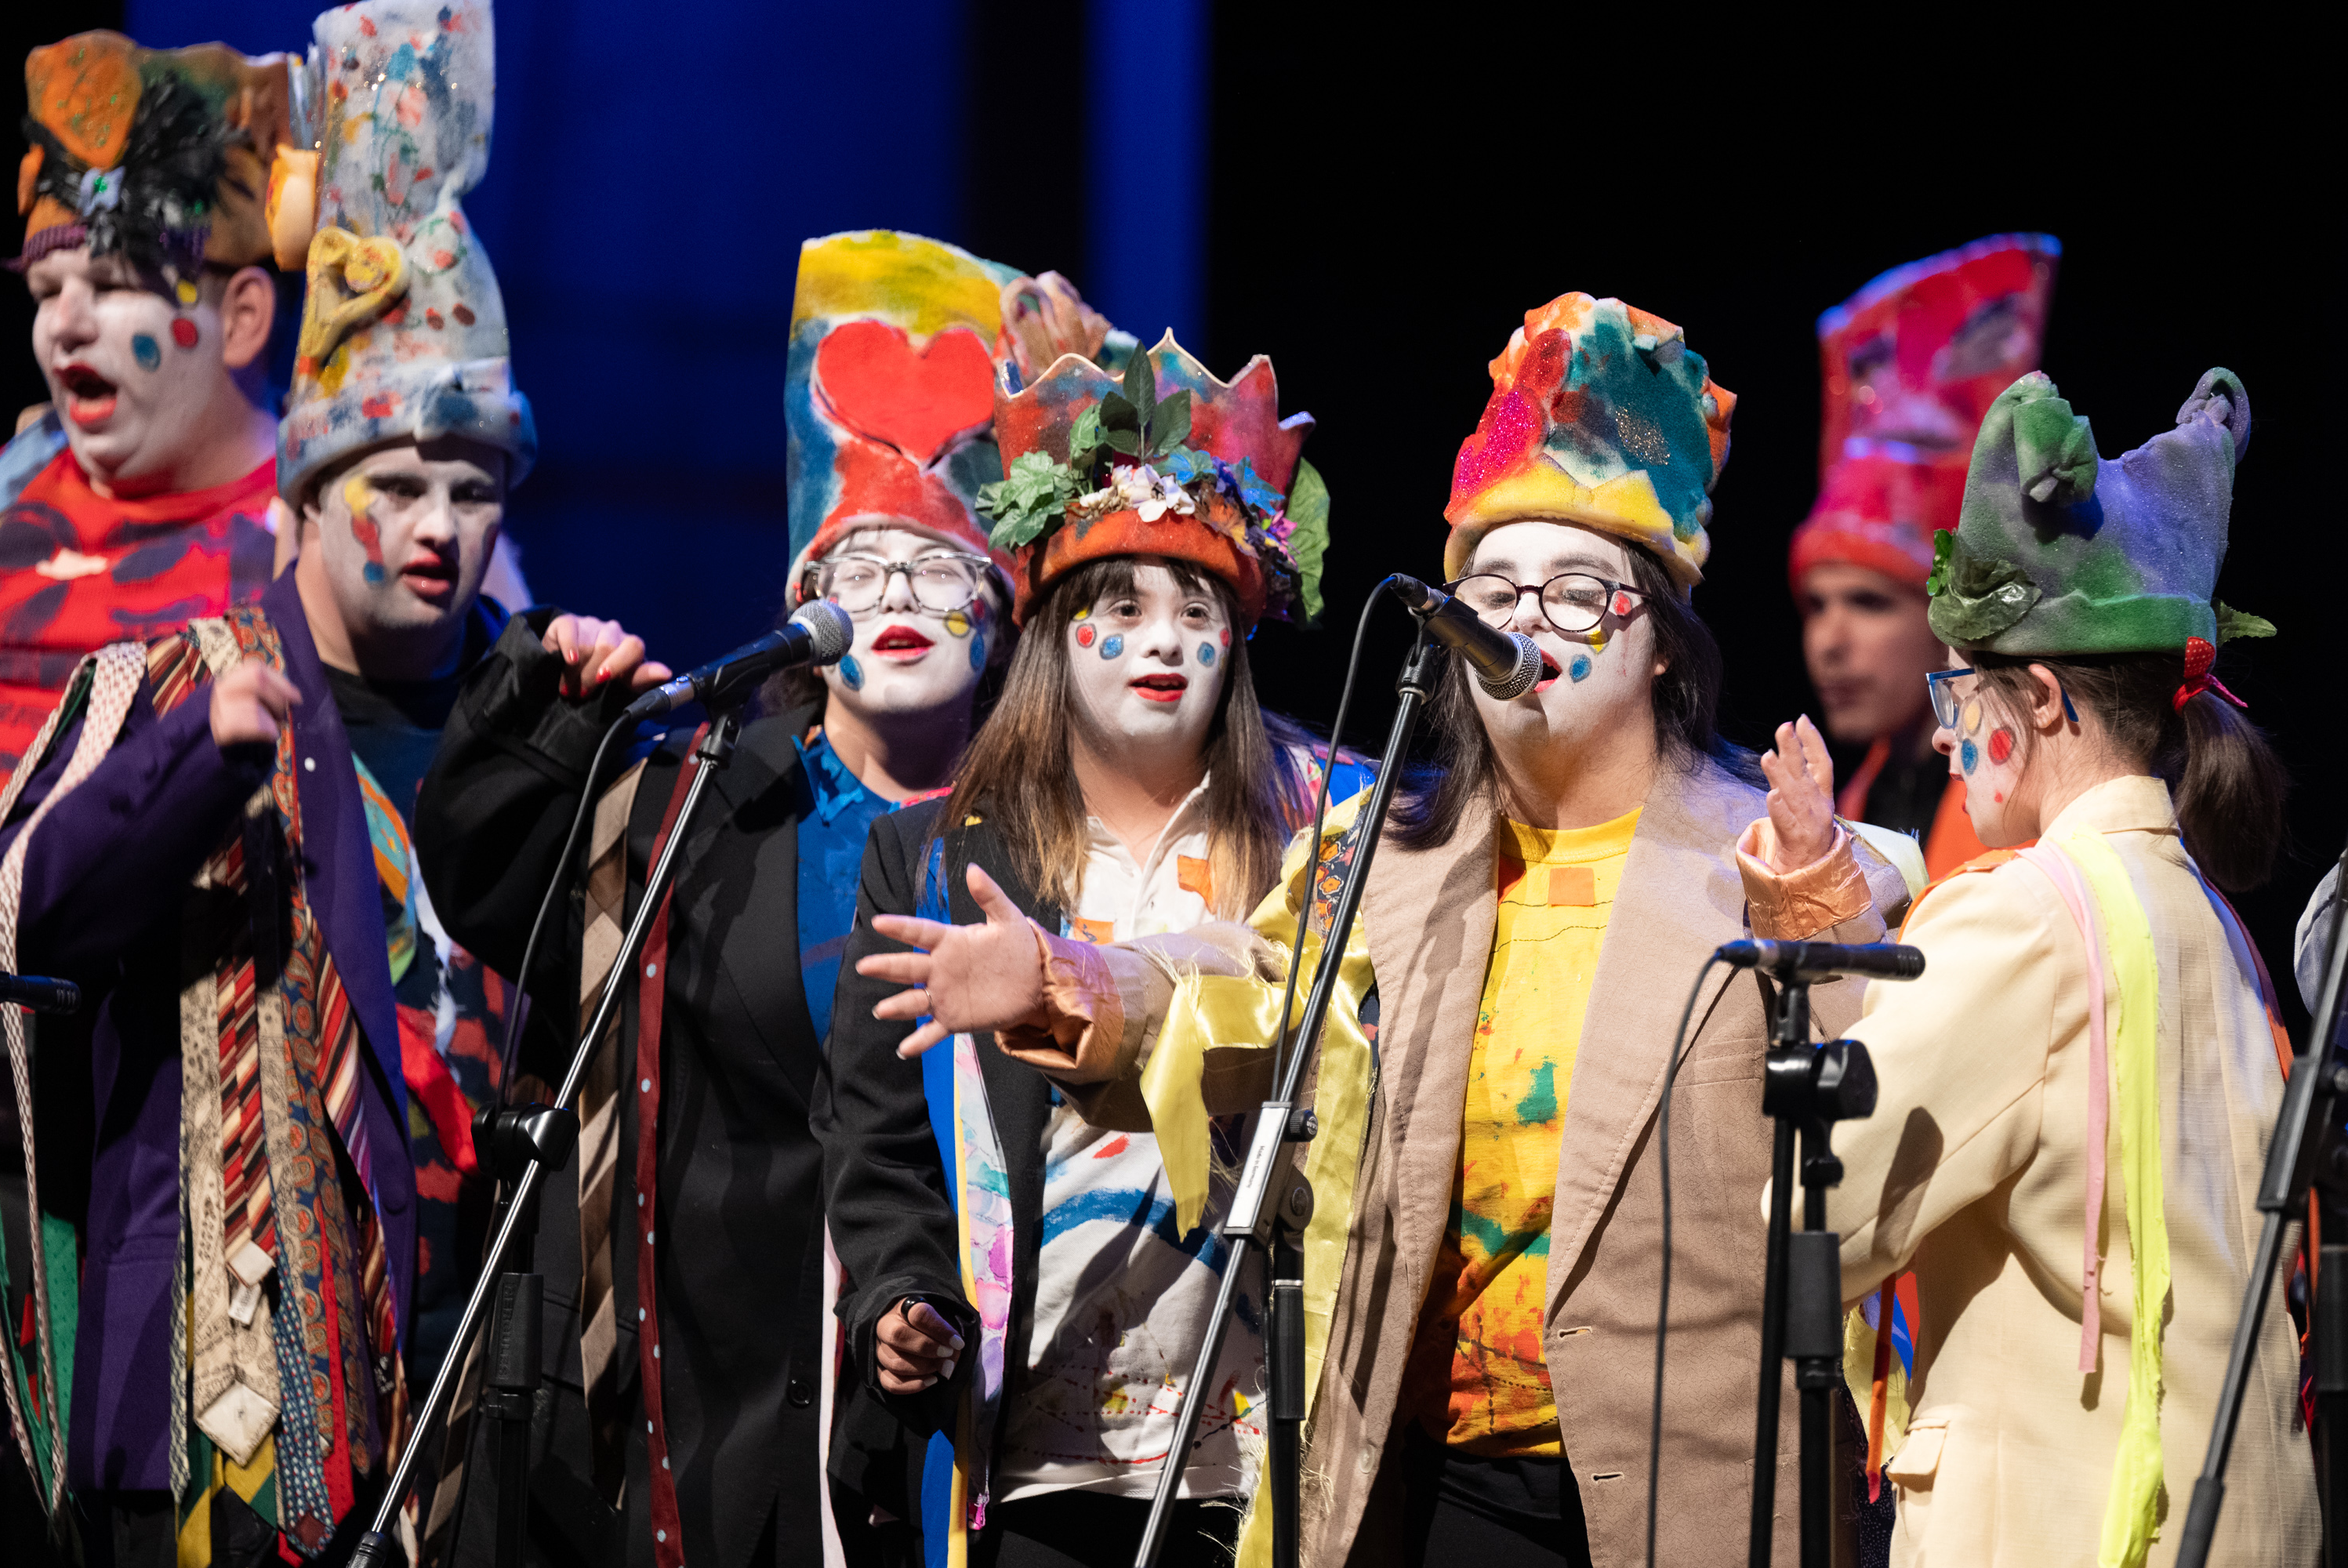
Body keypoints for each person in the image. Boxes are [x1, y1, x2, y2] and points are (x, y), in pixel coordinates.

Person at [850, 293, 1912, 1566]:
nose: (1523, 621)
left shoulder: (1779, 856)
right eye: (1496, 587)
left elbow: (1894, 1151)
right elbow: (1241, 981)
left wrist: (1812, 915)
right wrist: (1064, 979)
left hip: (1693, 1494)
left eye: (1578, 592)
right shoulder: (1386, 860)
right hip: (1442, 1491)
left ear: (1669, 647)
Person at [413, 230, 1105, 1568]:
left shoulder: (1061, 845)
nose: (894, 600)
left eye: (936, 572)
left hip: (957, 1444)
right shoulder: (703, 808)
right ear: (805, 602)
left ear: (1002, 611)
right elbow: (491, 876)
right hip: (706, 1438)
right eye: (857, 572)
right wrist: (546, 714)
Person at [0, 4, 537, 1560]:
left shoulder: (504, 686)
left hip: (449, 1384)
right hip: (218, 1388)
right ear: (309, 504)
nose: (436, 527)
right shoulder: (169, 669)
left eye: (470, 488)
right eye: (397, 486)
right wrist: (197, 759)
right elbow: (30, 910)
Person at [1743, 367, 2313, 1565]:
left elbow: (1813, 1219)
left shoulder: (2022, 921)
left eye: (1961, 695)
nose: (1951, 740)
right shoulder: (2209, 915)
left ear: (2042, 699)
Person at [819, 328, 1353, 1566]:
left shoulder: (1331, 827)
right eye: (1122, 607)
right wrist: (906, 1298)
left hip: (1260, 1454)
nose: (1164, 641)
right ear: (1055, 635)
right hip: (1034, 1453)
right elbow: (876, 1132)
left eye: (1198, 607)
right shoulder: (941, 858)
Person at [0, 32, 291, 793]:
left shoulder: (327, 528)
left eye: (115, 283)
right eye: (45, 292)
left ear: (245, 317)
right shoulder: (9, 487)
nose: (65, 325)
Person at [1793, 234, 2059, 884]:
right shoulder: (1845, 807)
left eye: (1870, 601)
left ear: (1948, 616)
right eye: (1814, 605)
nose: (1829, 641)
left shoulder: (2038, 815)